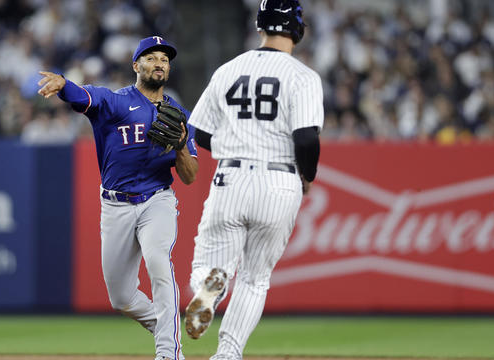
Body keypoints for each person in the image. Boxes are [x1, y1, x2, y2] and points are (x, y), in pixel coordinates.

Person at [37, 36, 198, 360]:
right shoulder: (115, 102)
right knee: (121, 297)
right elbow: (84, 96)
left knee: (158, 262)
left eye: (164, 60)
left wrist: (181, 145)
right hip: (115, 205)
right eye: (151, 58)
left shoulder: (180, 114)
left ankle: (169, 352)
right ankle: (167, 326)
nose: (159, 64)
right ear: (136, 66)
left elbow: (191, 175)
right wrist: (64, 84)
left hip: (157, 200)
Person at [184, 0, 323, 358]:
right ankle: (228, 353)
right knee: (255, 278)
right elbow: (306, 138)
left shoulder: (229, 68)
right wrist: (307, 176)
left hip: (230, 176)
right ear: (297, 28)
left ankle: (208, 290)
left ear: (260, 25)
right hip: (280, 181)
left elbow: (198, 133)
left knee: (208, 267)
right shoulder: (303, 76)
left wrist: (234, 144)